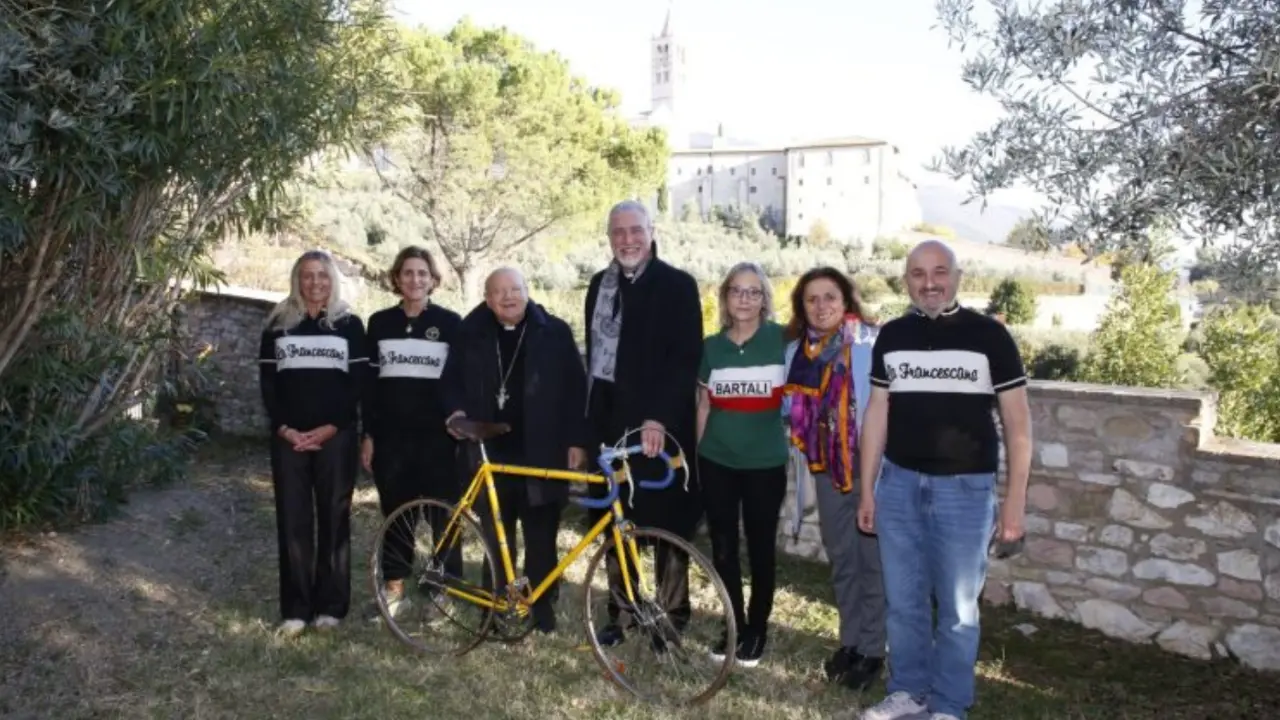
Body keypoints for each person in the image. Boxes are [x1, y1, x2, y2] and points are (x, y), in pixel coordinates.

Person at [856, 240, 1031, 720]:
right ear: (906, 280)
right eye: (917, 274)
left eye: (939, 272)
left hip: (965, 492)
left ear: (957, 276)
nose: (928, 282)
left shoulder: (990, 337)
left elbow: (1019, 426)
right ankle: (908, 691)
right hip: (898, 486)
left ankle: (950, 705)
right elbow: (876, 414)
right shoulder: (891, 336)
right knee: (903, 600)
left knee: (957, 609)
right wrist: (867, 487)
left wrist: (1014, 503)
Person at [439, 267, 588, 634]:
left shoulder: (554, 332)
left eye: (515, 289)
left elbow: (575, 389)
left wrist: (576, 440)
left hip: (542, 448)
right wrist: (455, 411)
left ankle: (541, 607)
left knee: (541, 533)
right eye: (499, 292)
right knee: (495, 531)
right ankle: (497, 603)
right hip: (490, 449)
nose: (509, 297)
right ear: (488, 299)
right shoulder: (469, 332)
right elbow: (450, 379)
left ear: (528, 291)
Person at [584, 199, 703, 648]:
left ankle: (671, 618)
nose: (627, 239)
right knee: (618, 521)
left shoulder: (677, 285)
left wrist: (658, 417)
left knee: (667, 526)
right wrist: (586, 431)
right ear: (609, 237)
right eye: (618, 232)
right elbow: (596, 363)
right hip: (609, 427)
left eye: (635, 230)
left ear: (652, 232)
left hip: (661, 426)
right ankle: (623, 609)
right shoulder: (599, 285)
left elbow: (684, 359)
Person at [780, 267, 885, 690]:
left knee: (872, 559)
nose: (821, 306)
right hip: (824, 466)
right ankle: (851, 641)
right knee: (842, 555)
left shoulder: (871, 343)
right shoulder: (794, 354)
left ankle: (875, 649)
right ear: (801, 307)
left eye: (830, 297)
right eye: (812, 299)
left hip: (869, 463)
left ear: (846, 301)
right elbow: (790, 414)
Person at [258, 249, 368, 636]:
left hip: (336, 437)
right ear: (297, 279)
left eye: (323, 275)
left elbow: (358, 385)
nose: (315, 282)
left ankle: (331, 606)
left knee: (334, 519)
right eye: (307, 276)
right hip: (289, 439)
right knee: (293, 520)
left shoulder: (350, 325)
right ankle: (296, 609)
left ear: (333, 279)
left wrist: (330, 427)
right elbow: (268, 385)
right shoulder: (277, 324)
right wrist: (284, 428)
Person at [361, 246, 462, 620]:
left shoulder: (452, 323)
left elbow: (460, 382)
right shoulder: (379, 322)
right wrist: (369, 434)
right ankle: (394, 590)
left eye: (422, 273)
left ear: (433, 280)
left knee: (443, 519)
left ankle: (442, 594)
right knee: (397, 516)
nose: (415, 279)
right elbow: (370, 387)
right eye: (408, 273)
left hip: (438, 441)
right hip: (392, 440)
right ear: (397, 278)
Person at [696, 262, 789, 667]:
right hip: (716, 459)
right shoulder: (711, 347)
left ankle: (758, 628)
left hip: (765, 464)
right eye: (737, 290)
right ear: (726, 297)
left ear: (764, 298)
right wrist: (697, 457)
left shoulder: (781, 340)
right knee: (722, 548)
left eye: (754, 291)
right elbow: (703, 404)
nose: (745, 298)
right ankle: (733, 624)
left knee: (761, 547)